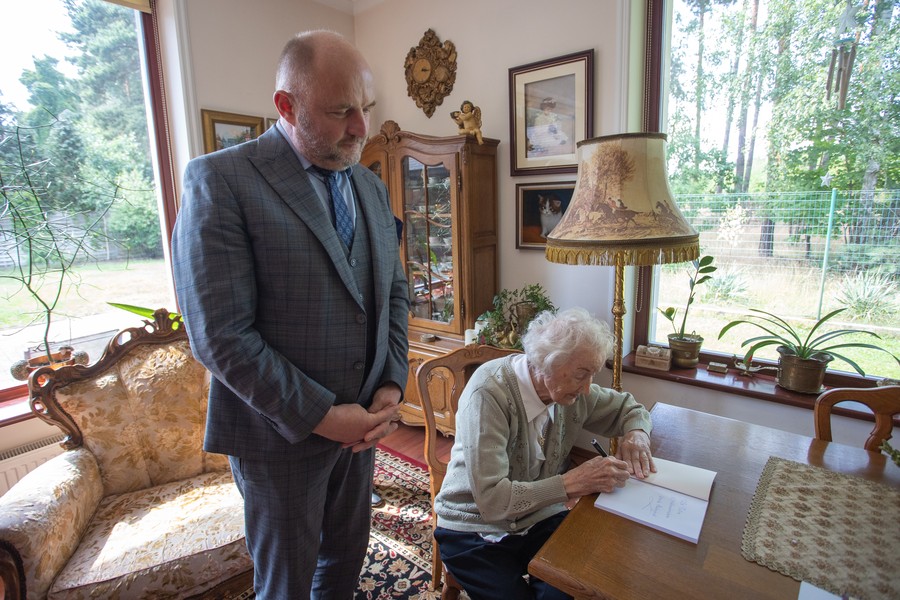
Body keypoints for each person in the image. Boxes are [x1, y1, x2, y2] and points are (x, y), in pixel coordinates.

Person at [170, 30, 409, 599]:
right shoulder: (221, 181)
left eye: (366, 109)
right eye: (340, 111)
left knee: (345, 564)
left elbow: (395, 293)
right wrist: (325, 416)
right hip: (277, 440)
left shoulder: (372, 189)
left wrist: (391, 386)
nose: (360, 127)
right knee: (286, 583)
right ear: (286, 106)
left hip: (363, 431)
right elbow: (221, 337)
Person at [433, 307, 655, 599]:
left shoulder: (570, 393)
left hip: (538, 516)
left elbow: (629, 408)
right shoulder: (488, 394)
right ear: (544, 364)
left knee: (572, 585)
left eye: (592, 375)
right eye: (581, 375)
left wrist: (637, 434)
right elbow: (492, 501)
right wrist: (573, 483)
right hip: (473, 527)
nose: (588, 389)